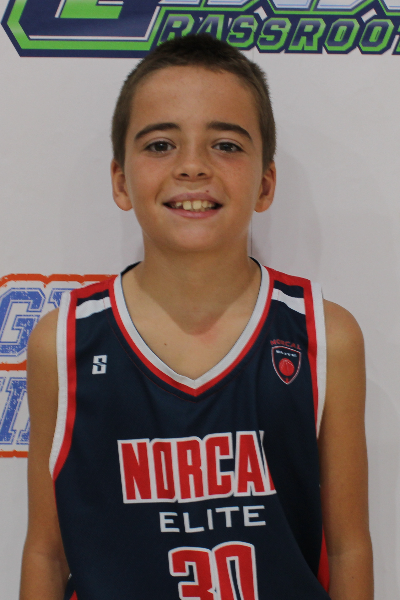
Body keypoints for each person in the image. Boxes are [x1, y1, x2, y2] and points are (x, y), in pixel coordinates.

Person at [20, 34, 373, 600]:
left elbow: (349, 546)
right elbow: (46, 550)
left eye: (226, 145)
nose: (191, 166)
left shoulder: (324, 336)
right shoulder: (62, 342)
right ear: (120, 181)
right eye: (160, 144)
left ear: (265, 184)